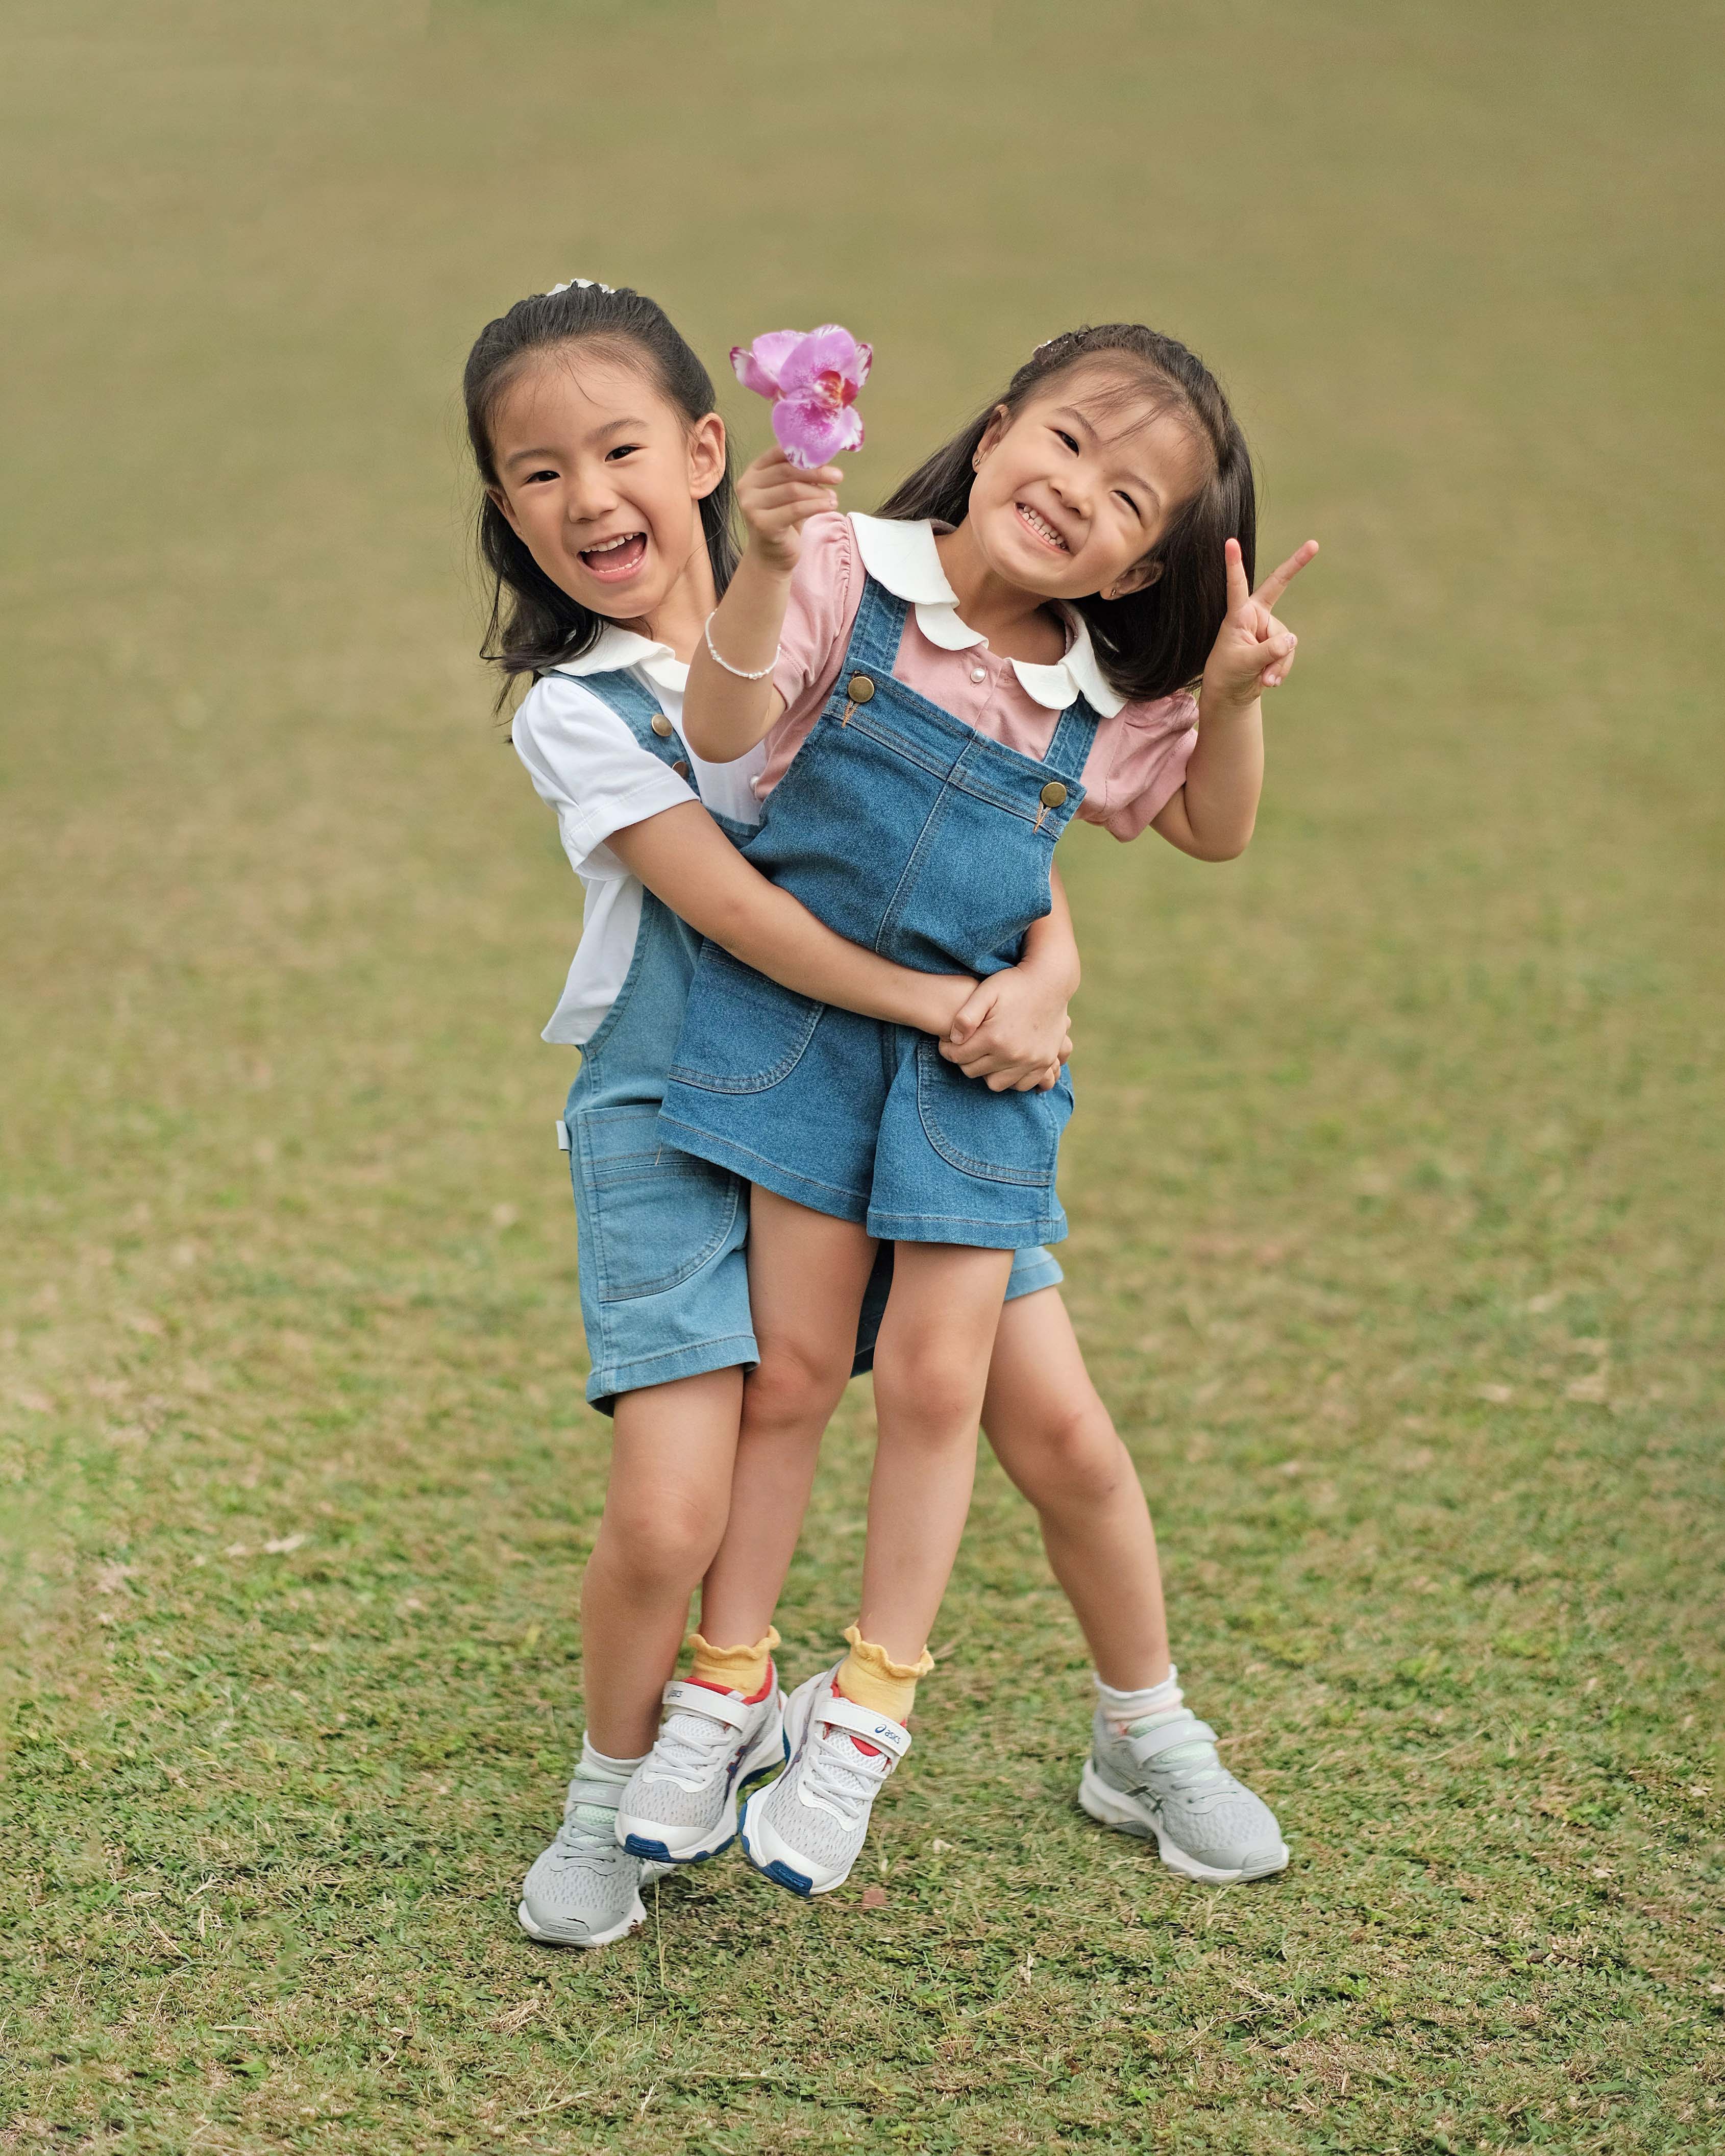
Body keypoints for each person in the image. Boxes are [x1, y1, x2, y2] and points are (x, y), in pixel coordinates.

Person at [638, 322, 1316, 1898]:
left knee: (955, 1391)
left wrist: (1228, 694)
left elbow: (1212, 832)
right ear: (999, 424)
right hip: (807, 1041)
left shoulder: (1098, 695)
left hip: (971, 1080)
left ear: (1144, 570)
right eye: (1070, 443)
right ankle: (724, 1691)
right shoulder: (838, 570)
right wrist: (752, 566)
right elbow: (723, 733)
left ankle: (873, 1717)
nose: (1083, 493)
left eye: (1134, 501)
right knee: (795, 1371)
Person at [467, 279, 1081, 1946]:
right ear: (505, 512)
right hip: (677, 1103)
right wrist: (950, 1004)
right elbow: (733, 914)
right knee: (670, 1510)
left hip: (881, 1098)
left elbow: (988, 815)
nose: (587, 500)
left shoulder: (844, 596)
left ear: (706, 448)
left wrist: (1045, 965)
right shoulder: (575, 711)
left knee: (1046, 1427)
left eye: (616, 452)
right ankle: (609, 1803)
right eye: (535, 475)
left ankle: (1138, 1728)